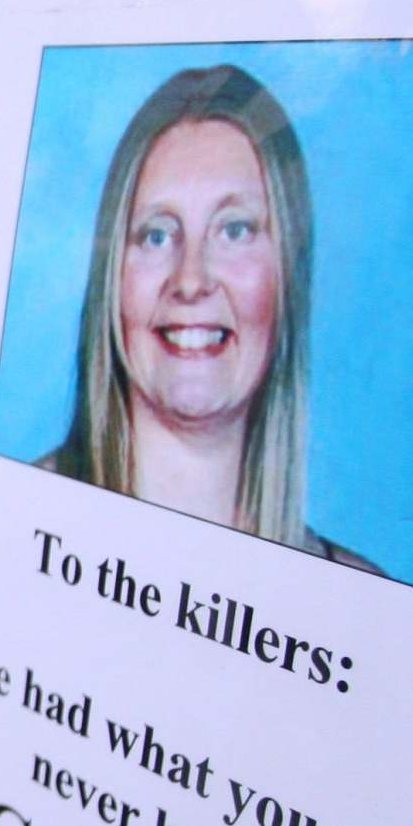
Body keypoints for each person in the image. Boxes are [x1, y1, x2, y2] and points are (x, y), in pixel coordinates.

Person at [46, 64, 375, 570]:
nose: (191, 279)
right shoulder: (9, 519)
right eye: (156, 235)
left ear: (287, 273)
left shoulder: (356, 600)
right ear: (112, 277)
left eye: (235, 230)